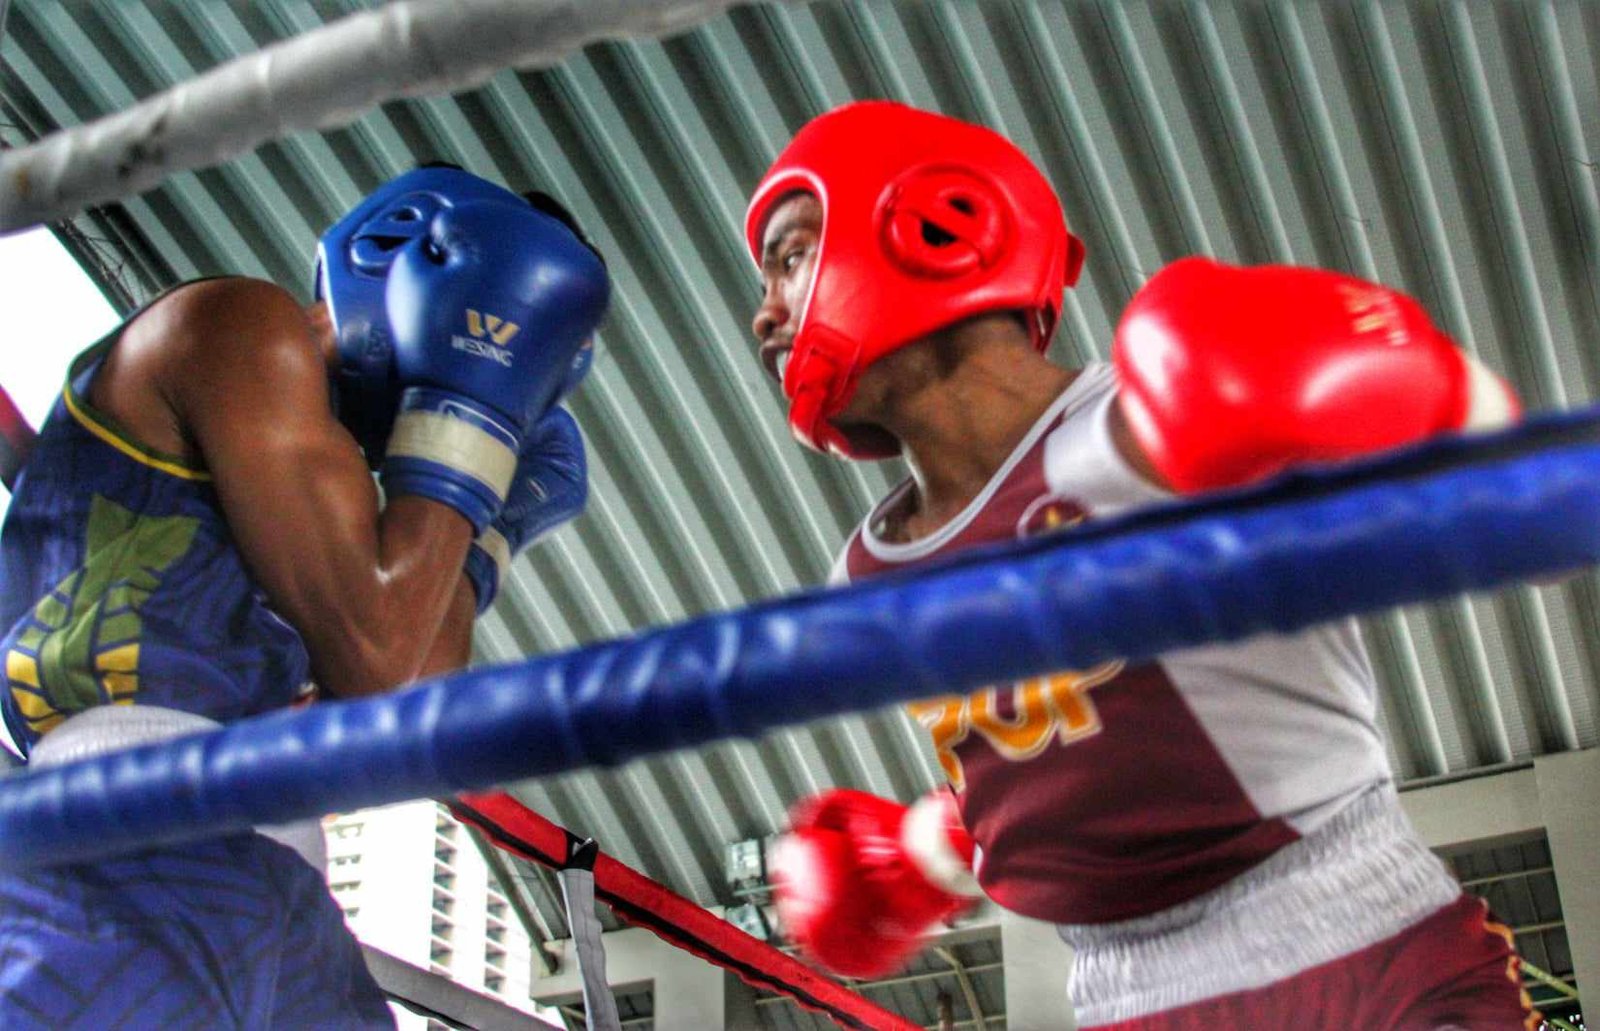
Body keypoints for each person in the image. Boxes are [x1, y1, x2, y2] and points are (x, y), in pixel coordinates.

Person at [747, 101, 1537, 1030]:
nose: (765, 316)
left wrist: (1422, 390)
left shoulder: (1145, 419)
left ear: (933, 225)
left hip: (1360, 947)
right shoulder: (869, 574)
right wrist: (925, 854)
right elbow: (1071, 746)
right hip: (1130, 997)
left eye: (792, 257)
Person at [0, 164, 609, 1028]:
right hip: (124, 822)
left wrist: (486, 534)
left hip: (275, 874)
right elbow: (374, 658)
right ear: (417, 250)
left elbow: (407, 712)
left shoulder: (347, 501)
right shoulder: (238, 326)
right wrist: (474, 413)